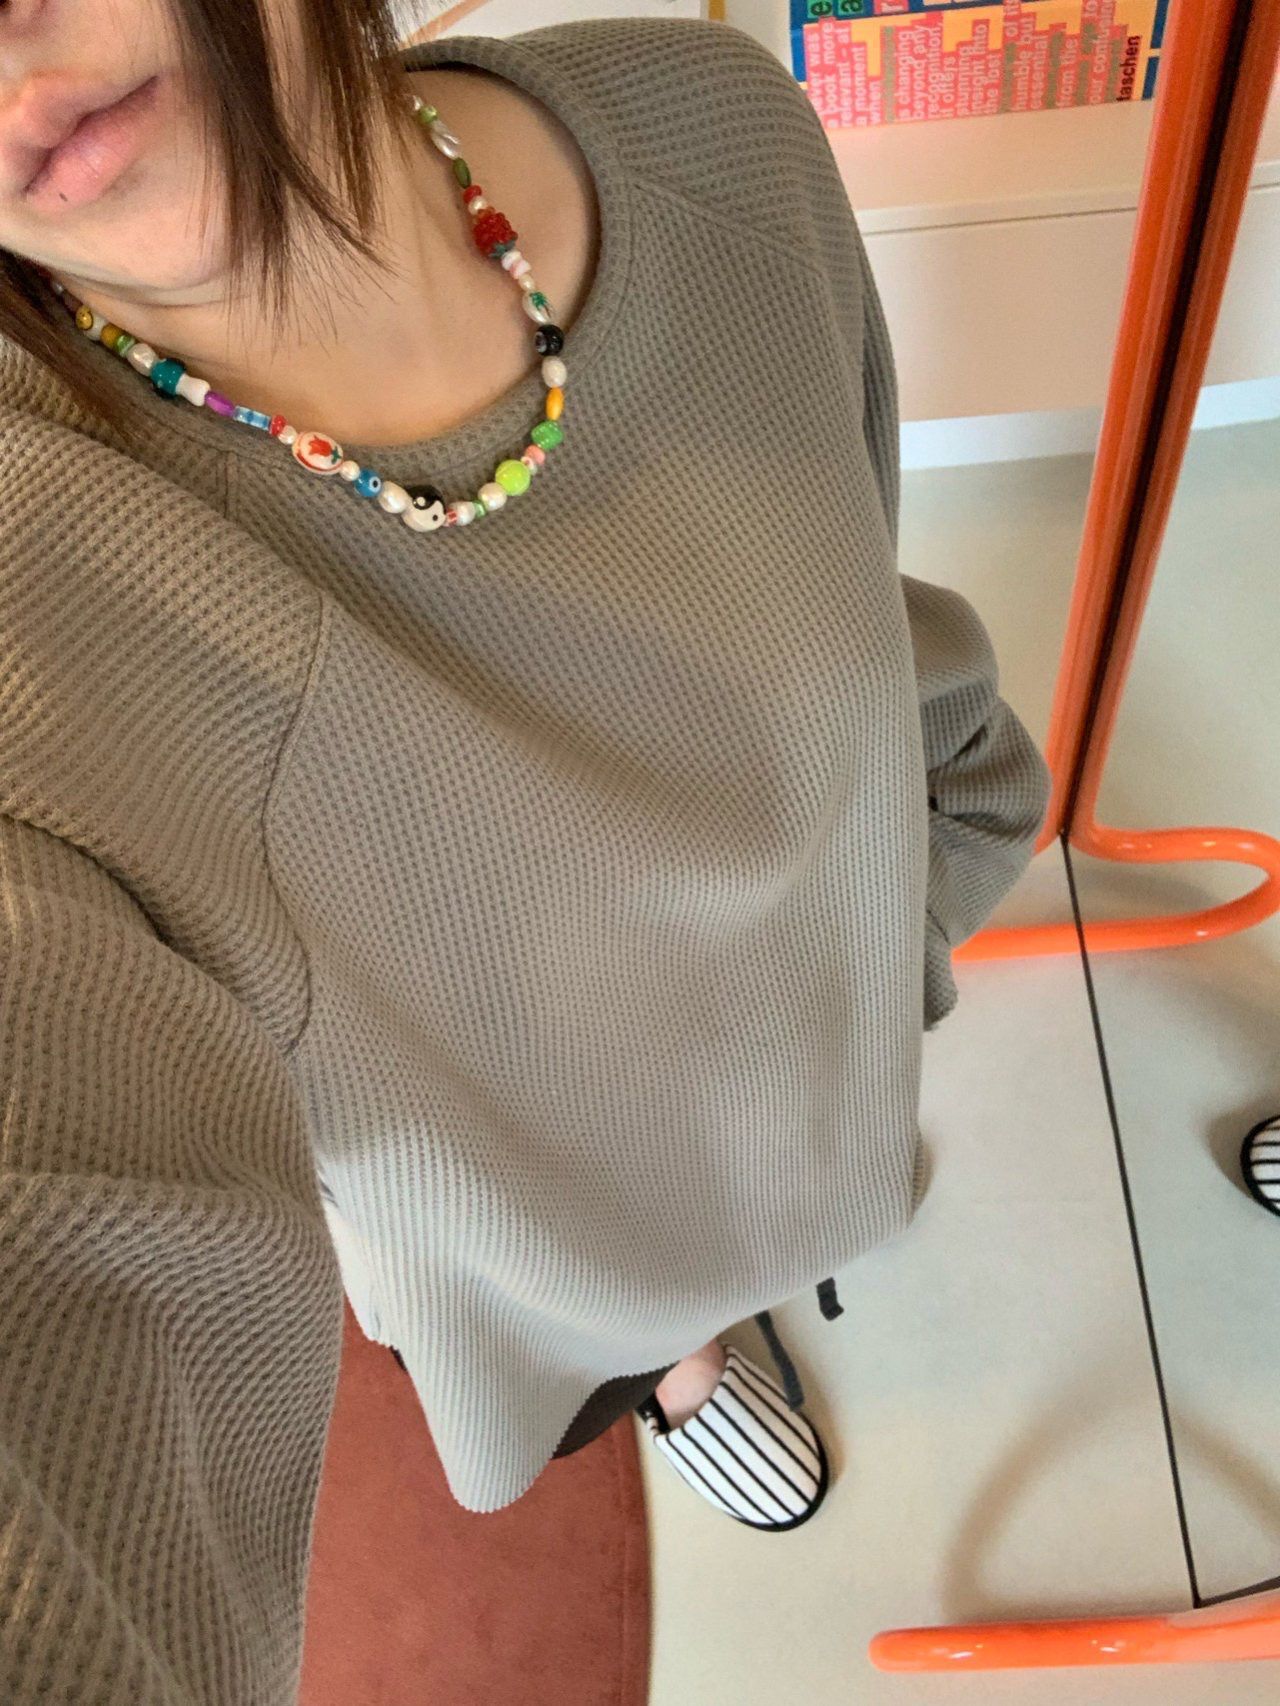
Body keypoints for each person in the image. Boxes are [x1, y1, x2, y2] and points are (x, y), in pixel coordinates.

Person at [0, 3, 1052, 1700]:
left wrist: (897, 905)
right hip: (549, 1227)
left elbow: (860, 603)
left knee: (796, 1174)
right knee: (619, 1320)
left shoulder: (714, 137)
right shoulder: (35, 595)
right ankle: (678, 1368)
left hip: (820, 1038)